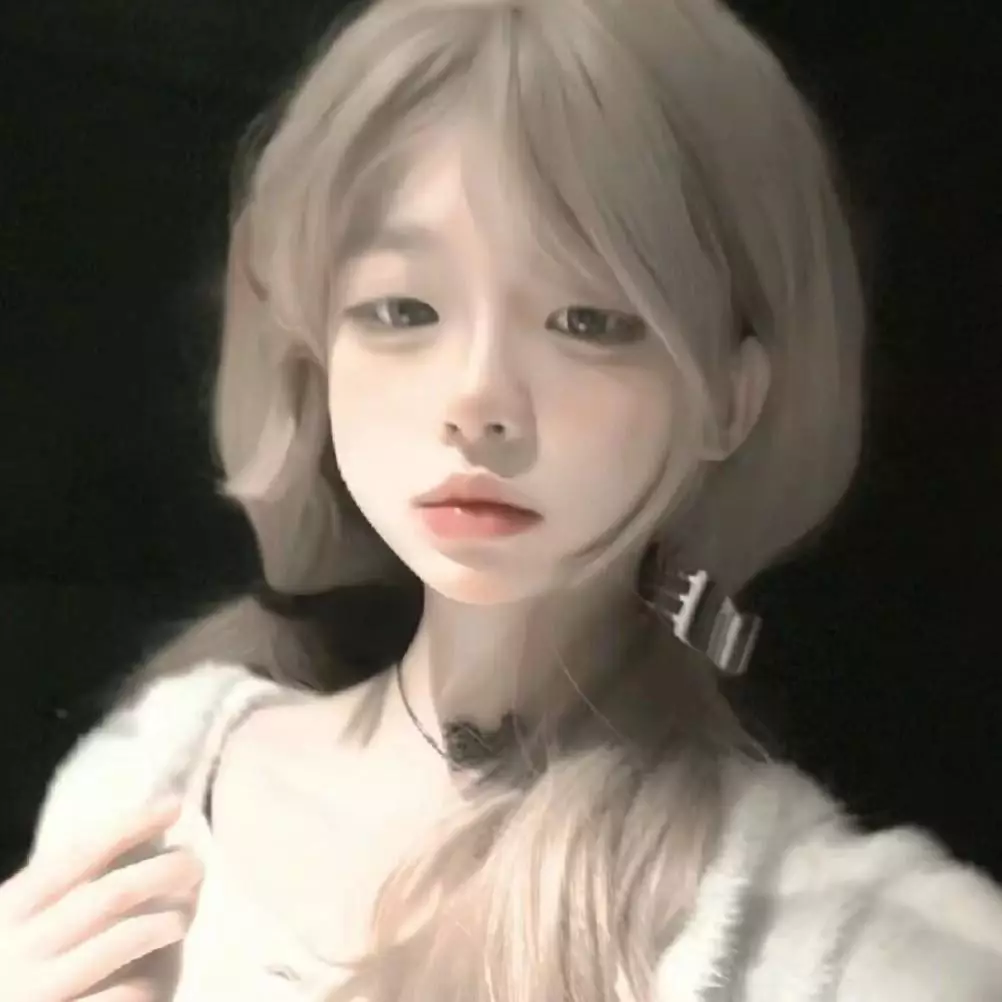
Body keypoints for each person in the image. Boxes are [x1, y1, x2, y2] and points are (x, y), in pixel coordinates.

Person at [4, 0, 1002, 998]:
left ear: (731, 398)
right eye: (403, 309)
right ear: (316, 345)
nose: (477, 401)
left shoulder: (836, 938)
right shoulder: (159, 771)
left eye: (587, 320)